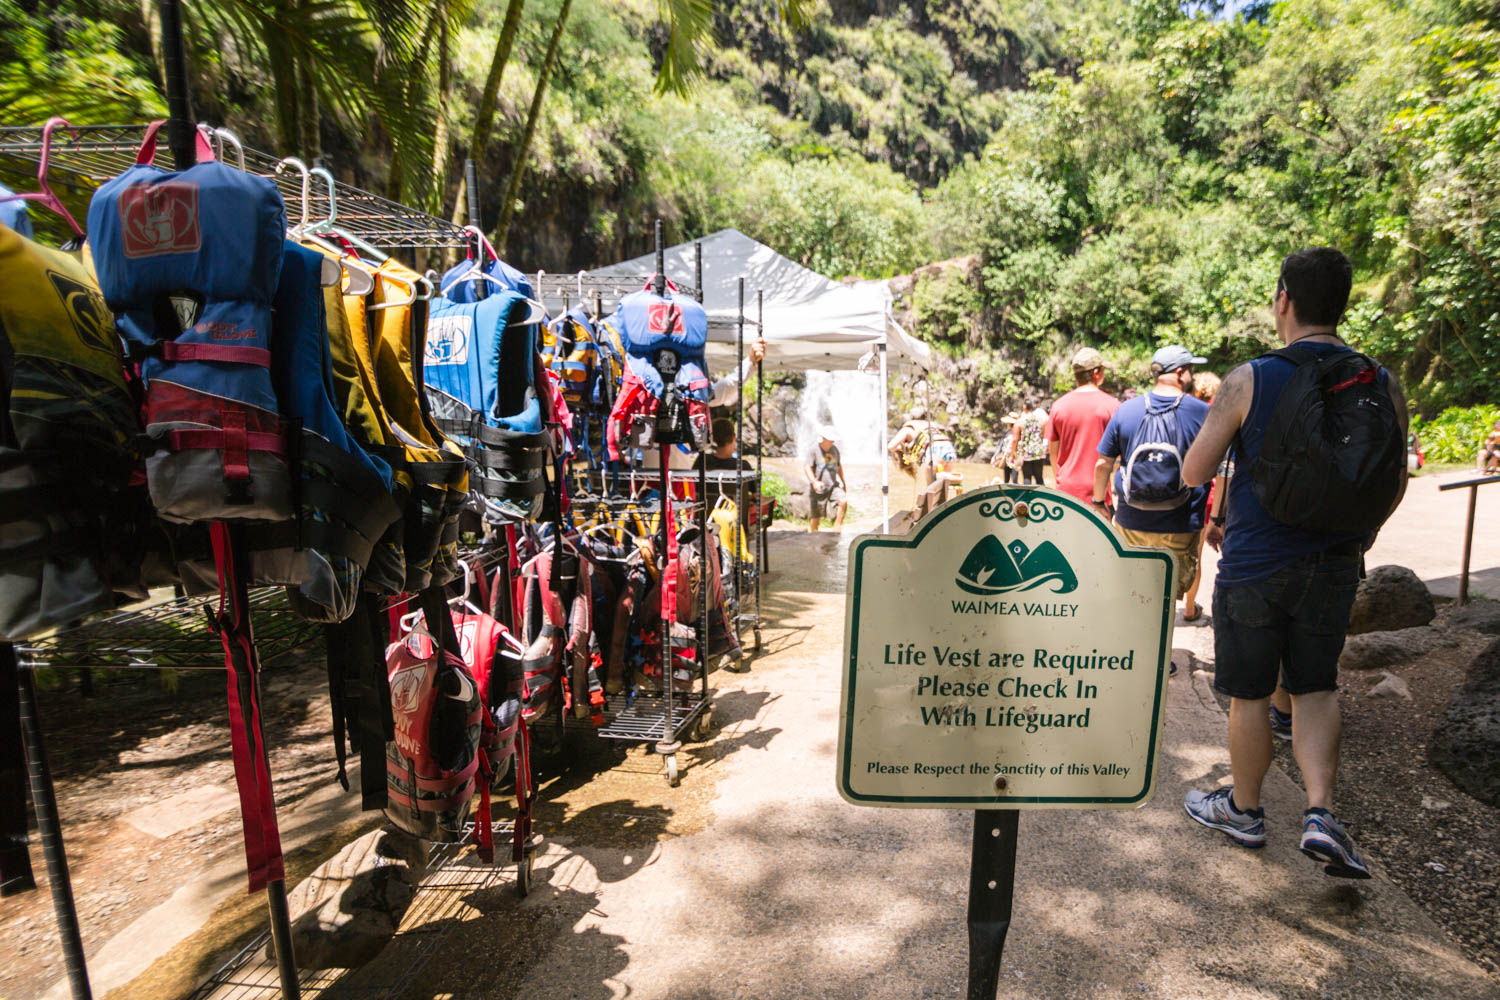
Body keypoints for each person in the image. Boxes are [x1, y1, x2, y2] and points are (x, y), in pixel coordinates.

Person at [1180, 247, 1408, 879]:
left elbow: (1196, 470)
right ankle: (1319, 814)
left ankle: (1245, 810)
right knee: (1315, 687)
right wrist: (1360, 537)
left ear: (1283, 299)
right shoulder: (1380, 380)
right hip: (1335, 565)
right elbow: (1393, 480)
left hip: (1255, 565)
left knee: (1250, 695)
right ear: (1344, 304)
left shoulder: (1250, 377)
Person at [1093, 346, 1211, 604]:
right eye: (1191, 369)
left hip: (1132, 520)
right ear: (1180, 373)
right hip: (1180, 523)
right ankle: (1163, 642)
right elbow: (1222, 467)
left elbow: (1103, 464)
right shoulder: (1201, 412)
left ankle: (1134, 643)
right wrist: (1220, 518)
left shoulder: (1127, 409)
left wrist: (1099, 503)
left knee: (1133, 593)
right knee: (1167, 595)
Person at [1048, 348, 1120, 503]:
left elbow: (1053, 453)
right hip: (1097, 492)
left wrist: (1061, 480)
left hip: (1065, 491)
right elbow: (1119, 456)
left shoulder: (1058, 406)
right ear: (1097, 373)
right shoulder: (1112, 406)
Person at [1180, 371, 1222, 621]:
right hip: (1213, 493)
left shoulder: (1189, 414)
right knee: (1197, 554)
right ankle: (1189, 607)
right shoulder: (1217, 416)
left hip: (1190, 491)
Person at [889, 406, 957, 492]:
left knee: (931, 491)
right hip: (949, 448)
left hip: (934, 451)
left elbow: (891, 446)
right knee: (944, 489)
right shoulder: (929, 424)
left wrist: (903, 447)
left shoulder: (908, 428)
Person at [804, 425, 847, 532]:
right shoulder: (813, 450)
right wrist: (814, 482)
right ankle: (813, 535)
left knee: (843, 501)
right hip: (818, 488)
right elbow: (807, 467)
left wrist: (843, 482)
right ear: (823, 438)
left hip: (833, 485)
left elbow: (838, 466)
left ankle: (837, 528)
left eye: (833, 439)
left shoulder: (835, 450)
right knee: (816, 517)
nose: (832, 441)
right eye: (830, 438)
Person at [1015, 397, 1049, 485]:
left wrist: (1014, 454)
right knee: (1039, 478)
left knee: (1027, 477)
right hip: (1038, 453)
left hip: (1026, 453)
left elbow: (1016, 438)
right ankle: (1043, 497)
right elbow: (1043, 434)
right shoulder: (1040, 420)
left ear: (1025, 407)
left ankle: (1028, 498)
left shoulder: (1021, 421)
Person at [991, 412, 1021, 483]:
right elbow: (1001, 446)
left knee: (1014, 479)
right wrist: (994, 456)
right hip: (1005, 458)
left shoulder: (1018, 433)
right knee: (1006, 480)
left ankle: (1016, 493)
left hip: (1014, 459)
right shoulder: (1006, 433)